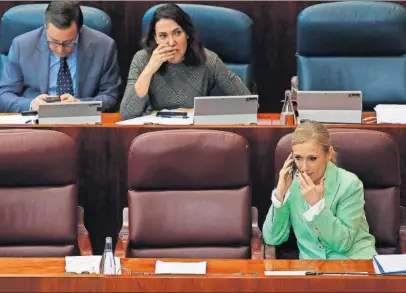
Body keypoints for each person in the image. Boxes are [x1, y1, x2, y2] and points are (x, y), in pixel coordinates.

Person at [262, 120, 377, 259]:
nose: (303, 167)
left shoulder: (350, 184)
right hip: (312, 268)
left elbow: (343, 243)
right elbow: (273, 238)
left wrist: (317, 206)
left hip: (354, 262)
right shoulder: (291, 185)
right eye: (298, 158)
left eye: (312, 158)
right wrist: (280, 196)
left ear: (328, 154)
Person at [120, 3, 251, 120]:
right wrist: (148, 71)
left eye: (177, 33)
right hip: (157, 134)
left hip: (197, 133)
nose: (171, 42)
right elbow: (127, 113)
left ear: (187, 34)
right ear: (155, 38)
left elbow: (248, 103)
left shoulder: (208, 59)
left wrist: (197, 111)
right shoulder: (142, 59)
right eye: (163, 36)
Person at [0, 1, 121, 113]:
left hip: (81, 119)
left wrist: (80, 105)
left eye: (69, 42)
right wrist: (31, 104)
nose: (60, 49)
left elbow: (110, 96)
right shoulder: (22, 46)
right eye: (54, 41)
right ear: (46, 28)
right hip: (36, 120)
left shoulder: (104, 46)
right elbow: (4, 95)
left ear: (79, 30)